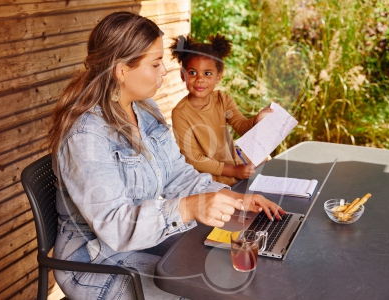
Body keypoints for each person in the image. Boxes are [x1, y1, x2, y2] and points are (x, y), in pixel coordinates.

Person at [48, 12, 285, 300]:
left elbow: (177, 174)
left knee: (234, 265)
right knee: (209, 288)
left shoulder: (144, 108)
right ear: (122, 70)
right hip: (97, 262)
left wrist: (235, 198)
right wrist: (189, 208)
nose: (165, 72)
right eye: (156, 63)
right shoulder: (86, 136)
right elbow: (115, 226)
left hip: (144, 241)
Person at [170, 34, 273, 186]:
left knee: (267, 160)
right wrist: (233, 171)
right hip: (208, 179)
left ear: (218, 77)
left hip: (234, 164)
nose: (200, 79)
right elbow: (193, 158)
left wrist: (257, 120)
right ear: (182, 75)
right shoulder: (180, 113)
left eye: (207, 73)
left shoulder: (223, 100)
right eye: (192, 73)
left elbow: (241, 125)